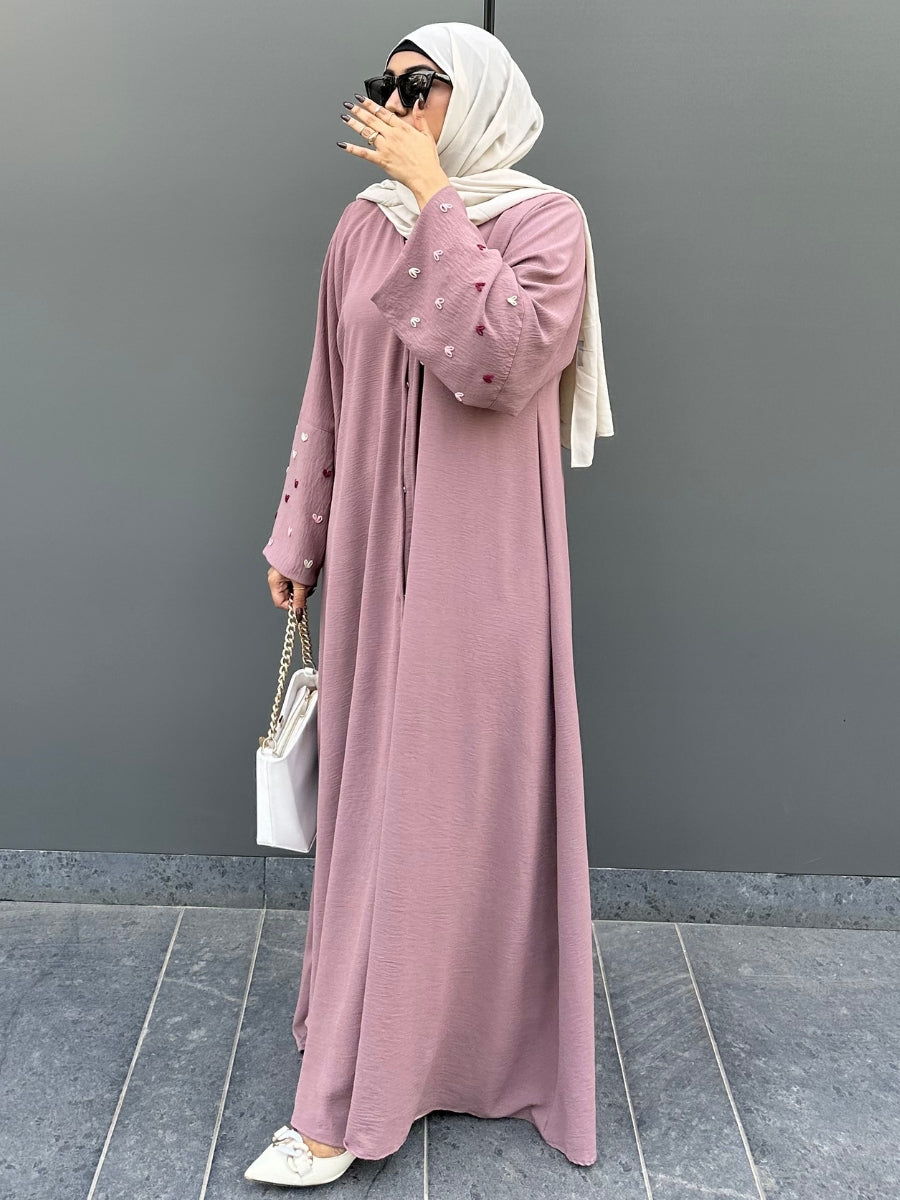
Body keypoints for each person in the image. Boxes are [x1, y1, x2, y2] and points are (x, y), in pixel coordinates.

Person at [245, 20, 614, 1188]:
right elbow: (328, 387)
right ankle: (371, 1049)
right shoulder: (361, 228)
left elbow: (503, 361)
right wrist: (300, 533)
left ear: (483, 94)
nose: (399, 103)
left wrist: (436, 196)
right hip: (370, 561)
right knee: (380, 803)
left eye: (423, 85)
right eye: (387, 85)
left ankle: (377, 1089)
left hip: (482, 568)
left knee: (454, 809)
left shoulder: (548, 224)